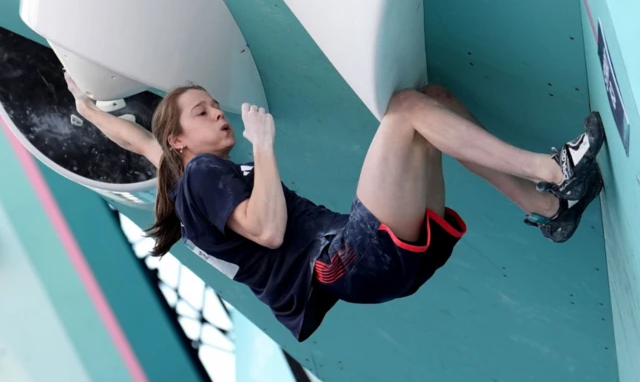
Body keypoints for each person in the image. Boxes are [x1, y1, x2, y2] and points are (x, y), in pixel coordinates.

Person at [65, 72, 605, 342]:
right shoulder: (205, 174)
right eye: (202, 113)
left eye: (213, 105)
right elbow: (269, 231)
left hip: (369, 268)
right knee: (406, 108)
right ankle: (554, 170)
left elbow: (140, 143)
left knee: (433, 103)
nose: (218, 114)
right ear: (183, 140)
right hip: (348, 259)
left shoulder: (189, 178)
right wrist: (265, 144)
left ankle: (549, 207)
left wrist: (88, 109)